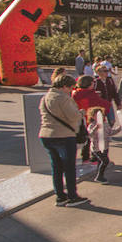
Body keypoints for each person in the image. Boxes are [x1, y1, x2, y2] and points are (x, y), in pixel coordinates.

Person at [38, 74, 89, 207]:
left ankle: (60, 196)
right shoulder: (63, 98)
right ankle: (72, 196)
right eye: (71, 88)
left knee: (56, 167)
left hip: (46, 135)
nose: (71, 90)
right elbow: (73, 116)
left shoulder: (45, 97)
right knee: (69, 168)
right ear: (64, 86)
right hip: (63, 136)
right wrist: (81, 113)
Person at [86, 105, 117, 184]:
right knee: (105, 161)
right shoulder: (92, 125)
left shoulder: (105, 124)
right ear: (93, 116)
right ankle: (99, 177)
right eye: (96, 115)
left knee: (101, 162)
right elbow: (90, 135)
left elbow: (111, 132)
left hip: (105, 146)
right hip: (96, 148)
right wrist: (96, 128)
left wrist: (120, 128)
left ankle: (100, 175)